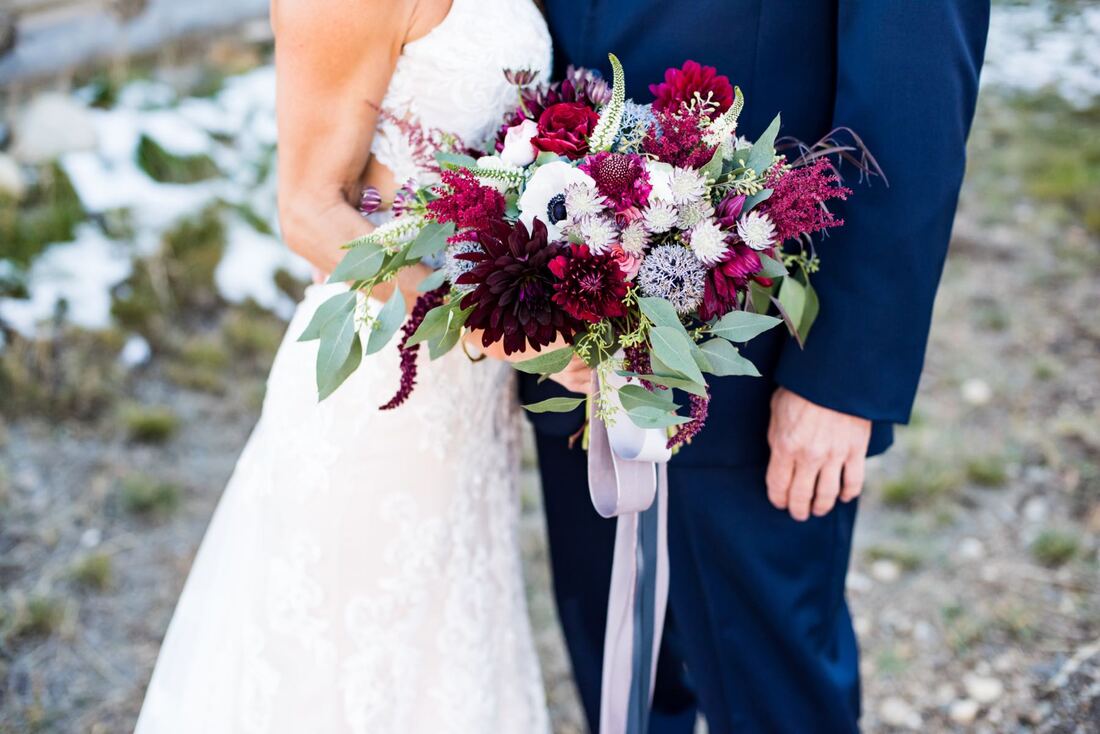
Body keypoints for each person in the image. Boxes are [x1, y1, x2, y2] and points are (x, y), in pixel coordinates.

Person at [526, 2, 991, 732]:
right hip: (567, 344)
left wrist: (840, 381)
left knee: (774, 699)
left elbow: (914, 88)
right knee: (619, 686)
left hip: (752, 368)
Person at [133, 1, 575, 731]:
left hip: (470, 395)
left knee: (447, 639)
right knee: (346, 658)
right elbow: (310, 210)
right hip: (381, 373)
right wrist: (484, 322)